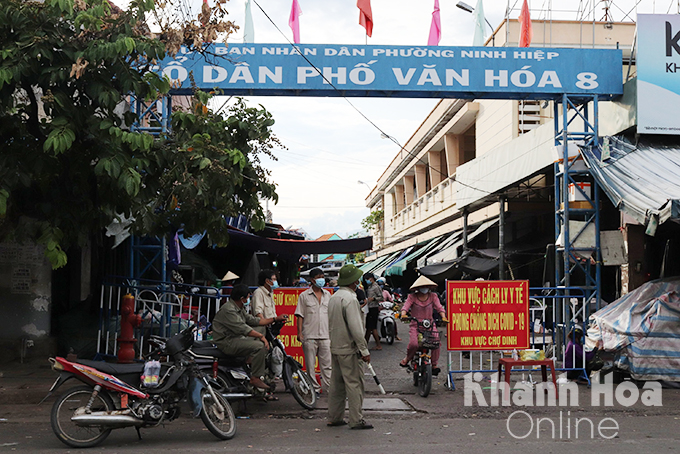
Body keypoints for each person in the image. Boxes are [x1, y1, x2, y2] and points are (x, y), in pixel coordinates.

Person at [211, 284, 288, 391]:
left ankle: (252, 359)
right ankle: (255, 377)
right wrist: (261, 337)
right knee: (260, 346)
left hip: (237, 338)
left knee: (261, 328)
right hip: (227, 342)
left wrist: (275, 319)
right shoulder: (229, 310)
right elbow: (243, 329)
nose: (248, 300)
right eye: (247, 297)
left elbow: (253, 320)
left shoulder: (239, 307)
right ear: (242, 299)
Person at [327, 264, 373, 430]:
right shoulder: (351, 299)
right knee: (354, 384)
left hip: (335, 347)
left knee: (337, 385)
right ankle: (356, 419)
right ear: (354, 282)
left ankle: (334, 417)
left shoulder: (333, 297)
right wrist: (364, 350)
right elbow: (356, 328)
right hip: (349, 349)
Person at [294, 268, 332, 394]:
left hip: (326, 335)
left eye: (323, 276)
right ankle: (314, 389)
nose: (322, 279)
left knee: (327, 365)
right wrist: (299, 332)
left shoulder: (328, 295)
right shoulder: (304, 296)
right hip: (309, 334)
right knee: (310, 366)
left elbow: (331, 315)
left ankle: (329, 389)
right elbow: (300, 315)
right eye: (319, 277)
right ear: (312, 280)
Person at [399, 275, 447, 375]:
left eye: (426, 286)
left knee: (436, 342)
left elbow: (439, 308)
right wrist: (403, 314)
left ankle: (434, 365)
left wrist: (443, 317)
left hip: (430, 324)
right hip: (415, 324)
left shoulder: (433, 296)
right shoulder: (412, 297)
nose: (424, 288)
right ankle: (408, 358)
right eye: (422, 286)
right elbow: (405, 307)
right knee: (414, 344)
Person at [252, 269, 279, 335]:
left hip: (271, 328)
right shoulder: (258, 293)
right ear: (267, 281)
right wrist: (265, 325)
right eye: (274, 279)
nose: (275, 281)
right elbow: (258, 313)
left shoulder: (270, 292)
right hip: (263, 329)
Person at [363, 272, 384, 350]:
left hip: (374, 308)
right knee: (369, 328)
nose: (367, 281)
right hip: (369, 308)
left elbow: (381, 297)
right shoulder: (369, 287)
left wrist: (373, 299)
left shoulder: (376, 287)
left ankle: (378, 345)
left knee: (372, 327)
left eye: (367, 279)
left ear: (371, 278)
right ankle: (364, 345)